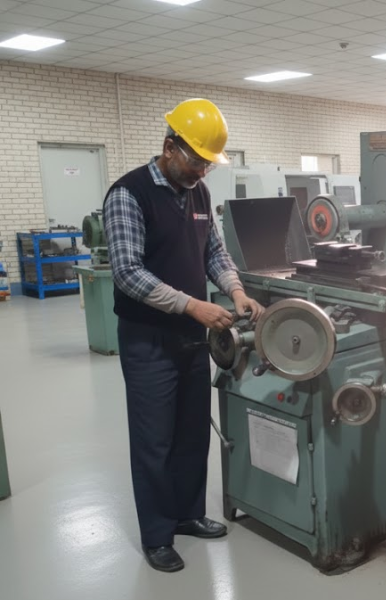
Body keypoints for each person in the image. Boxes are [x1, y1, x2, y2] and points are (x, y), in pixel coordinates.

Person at [103, 98, 263, 573]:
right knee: (154, 440)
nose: (202, 171)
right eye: (196, 161)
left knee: (192, 432)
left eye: (208, 163)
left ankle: (188, 514)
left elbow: (214, 252)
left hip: (193, 336)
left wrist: (235, 291)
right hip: (148, 339)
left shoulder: (198, 194)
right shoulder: (128, 194)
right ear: (169, 147)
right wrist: (193, 305)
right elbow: (128, 273)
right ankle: (157, 534)